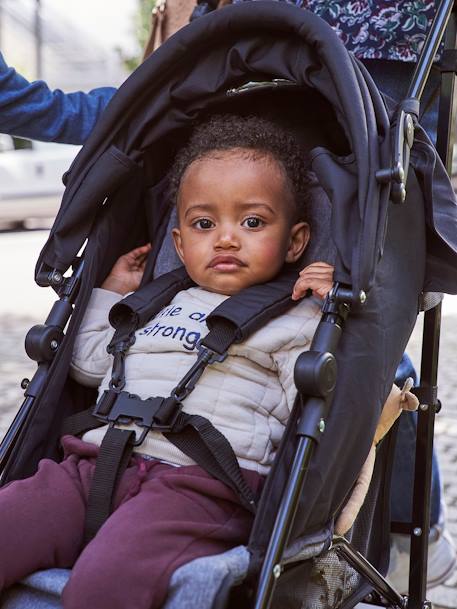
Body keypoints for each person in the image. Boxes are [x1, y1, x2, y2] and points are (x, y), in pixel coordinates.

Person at [0, 114, 416, 609]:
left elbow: (309, 409)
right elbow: (91, 365)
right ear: (180, 244)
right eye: (204, 223)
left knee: (107, 581)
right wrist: (110, 290)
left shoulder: (300, 317)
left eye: (253, 222)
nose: (225, 238)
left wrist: (332, 316)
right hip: (92, 465)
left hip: (198, 488)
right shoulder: (157, 301)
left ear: (296, 241)